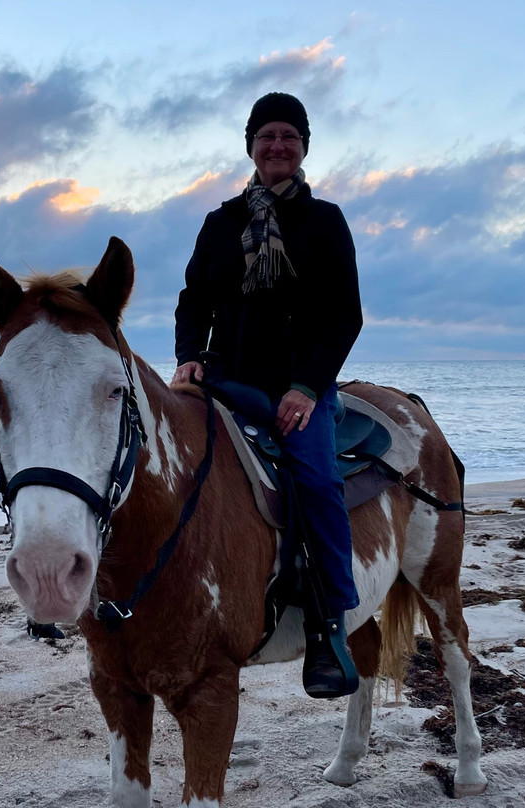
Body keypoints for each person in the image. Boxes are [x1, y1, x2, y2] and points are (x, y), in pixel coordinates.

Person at [171, 92, 363, 697]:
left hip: (298, 390)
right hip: (227, 378)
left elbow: (344, 317)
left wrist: (308, 387)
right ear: (250, 145)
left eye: (288, 135)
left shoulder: (325, 220)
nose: (277, 145)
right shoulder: (221, 223)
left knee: (315, 480)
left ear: (304, 146)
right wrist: (188, 359)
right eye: (266, 135)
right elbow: (193, 301)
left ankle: (329, 622)